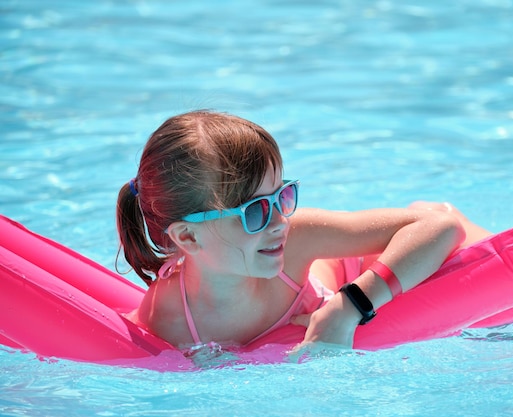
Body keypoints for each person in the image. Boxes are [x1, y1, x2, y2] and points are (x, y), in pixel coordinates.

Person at [116, 110, 490, 350]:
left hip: (357, 271)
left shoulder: (296, 239)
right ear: (188, 237)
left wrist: (349, 306)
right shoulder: (168, 321)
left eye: (283, 196)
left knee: (431, 211)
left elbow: (440, 226)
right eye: (256, 211)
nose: (280, 221)